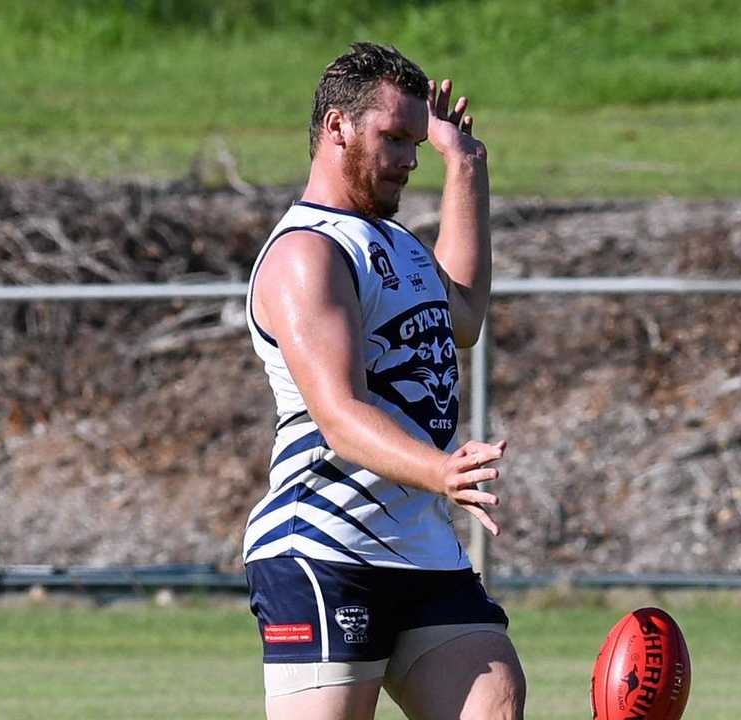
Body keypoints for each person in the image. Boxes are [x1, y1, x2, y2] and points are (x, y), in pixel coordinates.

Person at [242, 42, 525, 720]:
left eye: (414, 143)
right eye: (393, 139)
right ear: (337, 126)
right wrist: (441, 472)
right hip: (326, 545)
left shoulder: (396, 244)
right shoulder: (309, 253)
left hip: (419, 546)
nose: (407, 158)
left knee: (495, 704)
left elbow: (465, 315)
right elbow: (339, 413)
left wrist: (466, 164)